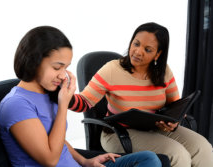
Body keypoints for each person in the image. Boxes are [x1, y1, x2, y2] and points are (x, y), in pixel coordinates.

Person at [0, 26, 162, 167]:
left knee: (148, 159)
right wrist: (63, 105)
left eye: (66, 68)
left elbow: (56, 139)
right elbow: (50, 159)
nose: (63, 76)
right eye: (57, 68)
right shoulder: (16, 104)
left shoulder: (45, 92)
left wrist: (85, 161)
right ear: (34, 61)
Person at [69, 22, 213, 167]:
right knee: (177, 154)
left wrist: (173, 122)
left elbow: (175, 106)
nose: (138, 52)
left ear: (158, 54)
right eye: (136, 44)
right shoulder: (112, 70)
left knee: (204, 148)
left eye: (147, 49)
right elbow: (84, 102)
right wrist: (64, 95)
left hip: (155, 129)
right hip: (119, 133)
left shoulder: (164, 72)